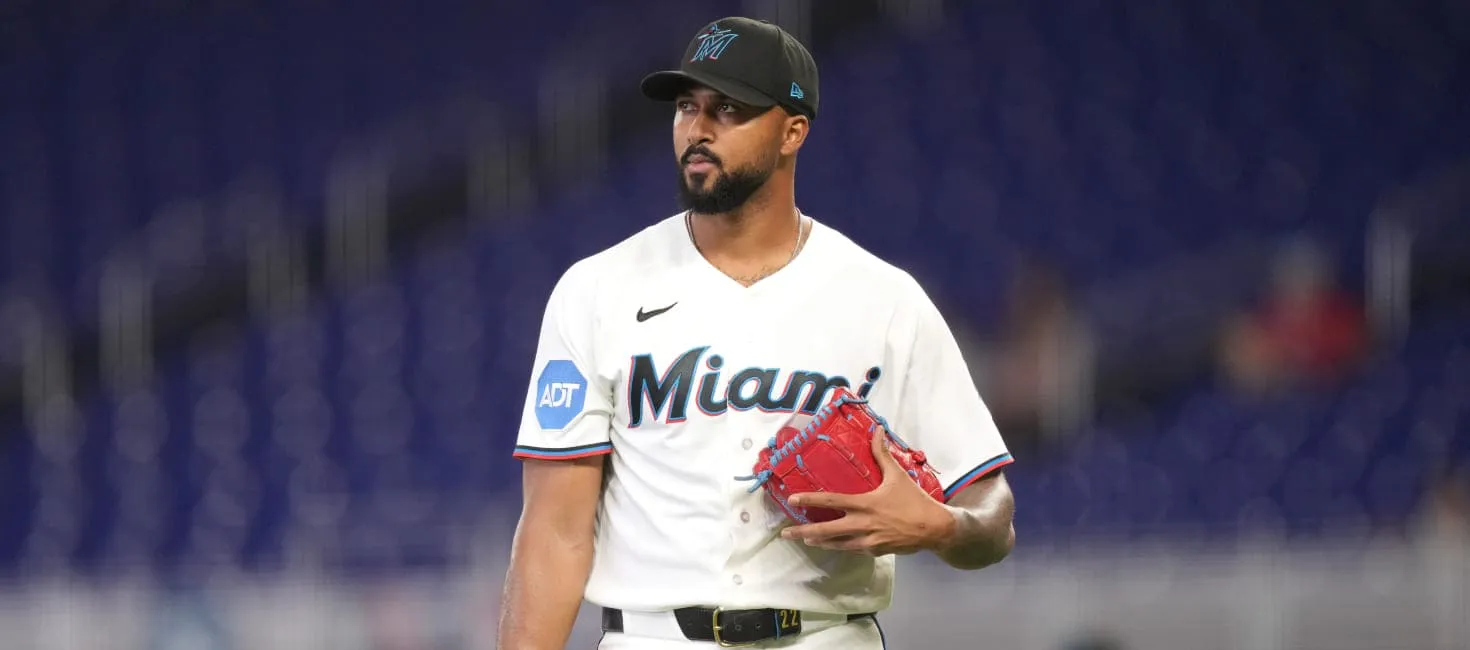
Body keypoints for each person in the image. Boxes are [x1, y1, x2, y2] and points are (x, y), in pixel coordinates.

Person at [496, 17, 1016, 649]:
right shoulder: (597, 290)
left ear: (793, 130)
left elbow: (992, 513)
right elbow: (554, 533)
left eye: (729, 109)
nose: (698, 128)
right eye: (686, 106)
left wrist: (943, 527)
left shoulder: (885, 300)